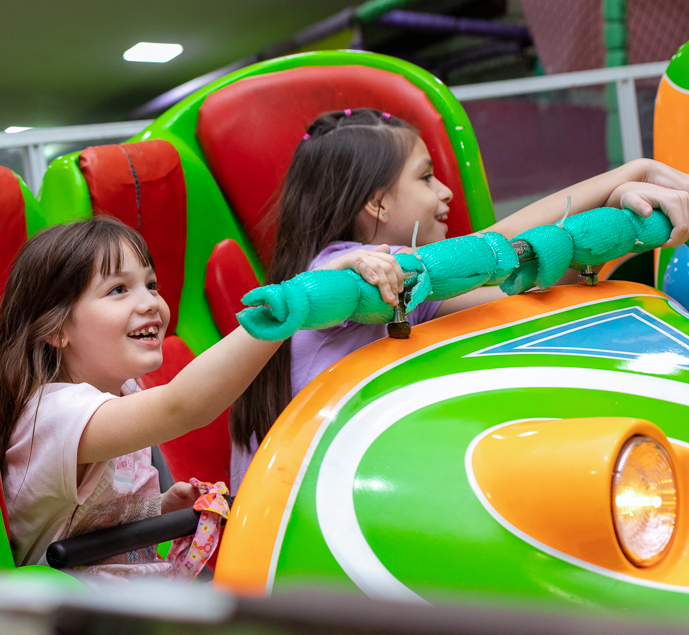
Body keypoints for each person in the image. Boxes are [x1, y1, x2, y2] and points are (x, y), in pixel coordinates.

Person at [229, 107, 689, 488]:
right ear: (378, 203)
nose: (445, 191)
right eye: (426, 178)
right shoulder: (349, 272)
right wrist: (632, 172)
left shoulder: (404, 295)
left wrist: (611, 220)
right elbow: (497, 248)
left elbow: (529, 285)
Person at [0, 216, 396, 581]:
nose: (149, 303)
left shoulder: (125, 391)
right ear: (56, 330)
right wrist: (294, 301)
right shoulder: (53, 414)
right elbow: (183, 405)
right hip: (66, 624)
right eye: (117, 290)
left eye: (150, 284)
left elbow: (91, 522)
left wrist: (159, 509)